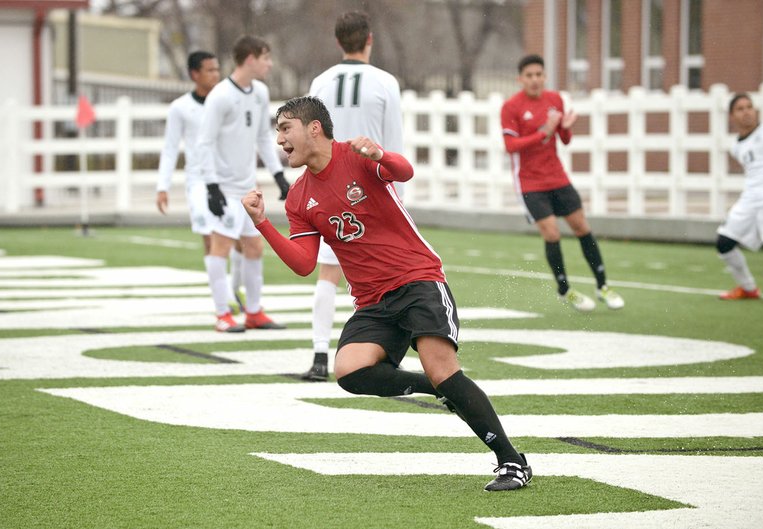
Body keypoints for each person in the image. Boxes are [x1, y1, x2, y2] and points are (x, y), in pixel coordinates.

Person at [241, 96, 532, 492]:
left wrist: (381, 153)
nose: (279, 140)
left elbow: (404, 171)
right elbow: (303, 264)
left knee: (443, 367)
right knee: (349, 371)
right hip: (373, 301)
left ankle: (511, 461)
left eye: (285, 128)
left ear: (314, 128)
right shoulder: (298, 197)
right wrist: (262, 224)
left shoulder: (358, 156)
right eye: (277, 132)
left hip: (417, 280)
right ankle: (436, 388)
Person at [301, 11, 404, 381]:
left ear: (338, 41)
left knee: (328, 273)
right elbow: (394, 144)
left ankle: (318, 357)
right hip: (373, 189)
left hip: (332, 188)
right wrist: (401, 201)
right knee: (390, 277)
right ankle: (389, 354)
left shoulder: (321, 81)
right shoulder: (385, 82)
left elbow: (307, 138)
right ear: (369, 39)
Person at [500, 54, 624, 312]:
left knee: (581, 227)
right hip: (530, 183)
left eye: (539, 75)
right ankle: (564, 289)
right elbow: (510, 146)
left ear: (545, 77)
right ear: (520, 79)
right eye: (529, 75)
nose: (535, 80)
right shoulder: (511, 107)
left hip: (557, 177)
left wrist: (565, 128)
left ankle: (603, 286)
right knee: (552, 233)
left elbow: (564, 140)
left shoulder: (555, 99)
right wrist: (542, 132)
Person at [194, 35, 290, 332]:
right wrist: (211, 186)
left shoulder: (260, 92)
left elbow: (263, 136)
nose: (269, 64)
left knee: (254, 247)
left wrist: (278, 175)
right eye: (265, 58)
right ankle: (222, 314)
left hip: (248, 188)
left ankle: (254, 311)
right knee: (220, 247)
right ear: (250, 59)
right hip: (222, 188)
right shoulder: (220, 96)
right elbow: (204, 142)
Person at [155, 51, 246, 317]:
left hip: (229, 179)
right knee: (211, 238)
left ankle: (235, 287)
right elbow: (170, 148)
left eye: (218, 69)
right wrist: (163, 186)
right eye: (210, 70)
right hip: (199, 182)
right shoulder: (180, 108)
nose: (216, 75)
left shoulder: (228, 101)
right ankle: (224, 300)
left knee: (242, 240)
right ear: (195, 74)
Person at [716, 93, 763, 299]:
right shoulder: (737, 147)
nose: (747, 112)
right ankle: (748, 288)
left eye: (749, 107)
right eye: (740, 109)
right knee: (724, 243)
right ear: (731, 116)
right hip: (752, 199)